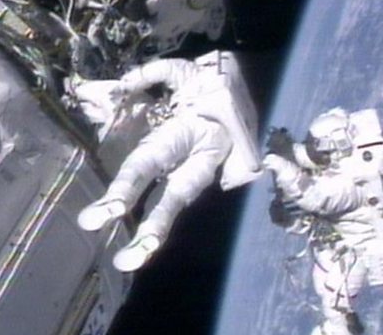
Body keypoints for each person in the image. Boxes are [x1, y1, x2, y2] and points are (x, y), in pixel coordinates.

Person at [76, 50, 262, 272]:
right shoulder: (244, 110)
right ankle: (153, 232)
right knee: (175, 194)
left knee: (148, 157)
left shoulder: (199, 74)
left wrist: (128, 85)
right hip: (219, 147)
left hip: (193, 121)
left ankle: (120, 195)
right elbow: (244, 161)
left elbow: (164, 68)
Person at [264, 107, 383, 335]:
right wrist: (288, 149)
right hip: (345, 237)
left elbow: (314, 198)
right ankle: (335, 325)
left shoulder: (350, 186)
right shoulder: (345, 156)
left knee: (334, 299)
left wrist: (281, 166)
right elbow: (311, 157)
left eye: (316, 147)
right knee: (321, 277)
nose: (311, 151)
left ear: (335, 149)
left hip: (363, 248)